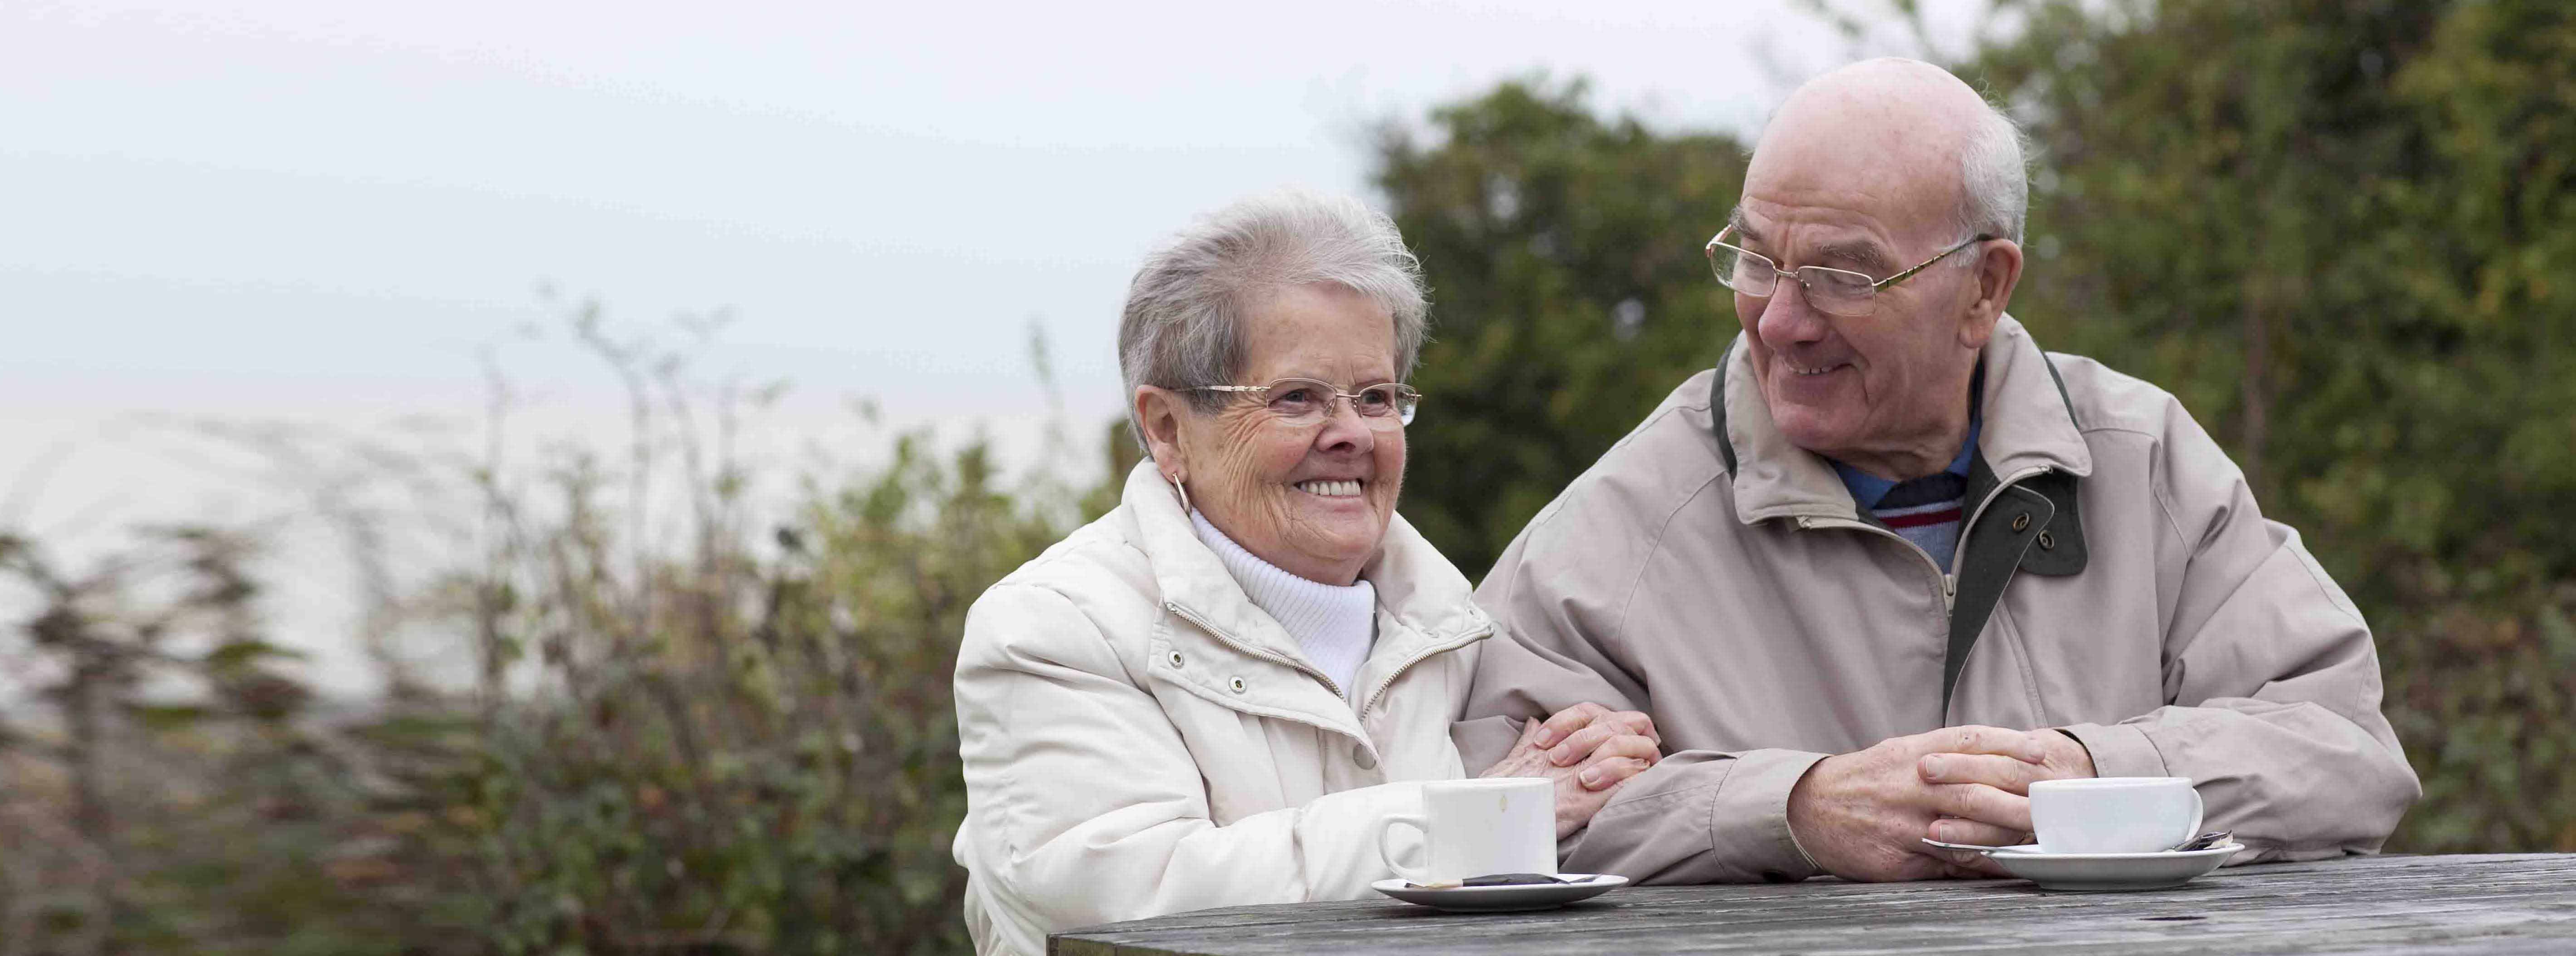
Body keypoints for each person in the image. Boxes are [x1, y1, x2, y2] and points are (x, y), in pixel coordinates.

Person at [1457, 58, 2419, 884]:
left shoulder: (2144, 457)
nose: (1780, 320)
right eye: (1754, 257)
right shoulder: (1625, 524)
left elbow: (2346, 752)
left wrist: (2089, 778)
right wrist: (1795, 807)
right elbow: (1491, 817)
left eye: (1843, 275)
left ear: (1986, 288)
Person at [950, 189, 1662, 955]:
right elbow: (1131, 908)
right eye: (1298, 399)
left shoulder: (1460, 628)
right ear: (1167, 429)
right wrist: (1487, 819)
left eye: (1378, 397)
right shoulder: (1052, 629)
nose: (1353, 434)